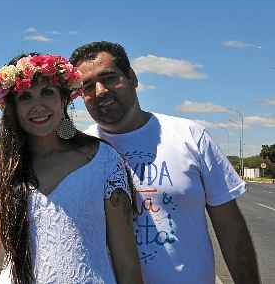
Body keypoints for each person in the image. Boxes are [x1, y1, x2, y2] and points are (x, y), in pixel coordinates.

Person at [70, 41, 261, 284]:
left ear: (132, 78)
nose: (100, 91)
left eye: (109, 78)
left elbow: (230, 229)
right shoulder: (80, 151)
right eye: (87, 86)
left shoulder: (189, 136)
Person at [0, 53, 143, 284]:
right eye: (25, 97)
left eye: (47, 92)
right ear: (12, 107)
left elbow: (127, 263)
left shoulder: (104, 162)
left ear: (65, 99)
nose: (37, 106)